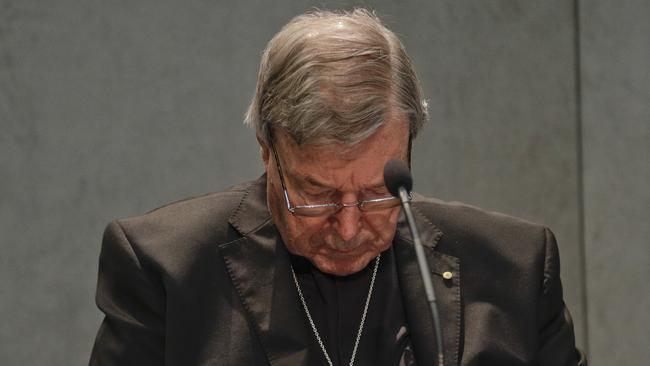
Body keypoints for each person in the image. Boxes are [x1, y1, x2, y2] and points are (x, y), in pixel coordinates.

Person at [89, 9, 587, 366]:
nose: (349, 228)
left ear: (410, 146)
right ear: (268, 150)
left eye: (376, 192)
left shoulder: (515, 266)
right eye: (317, 195)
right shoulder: (164, 268)